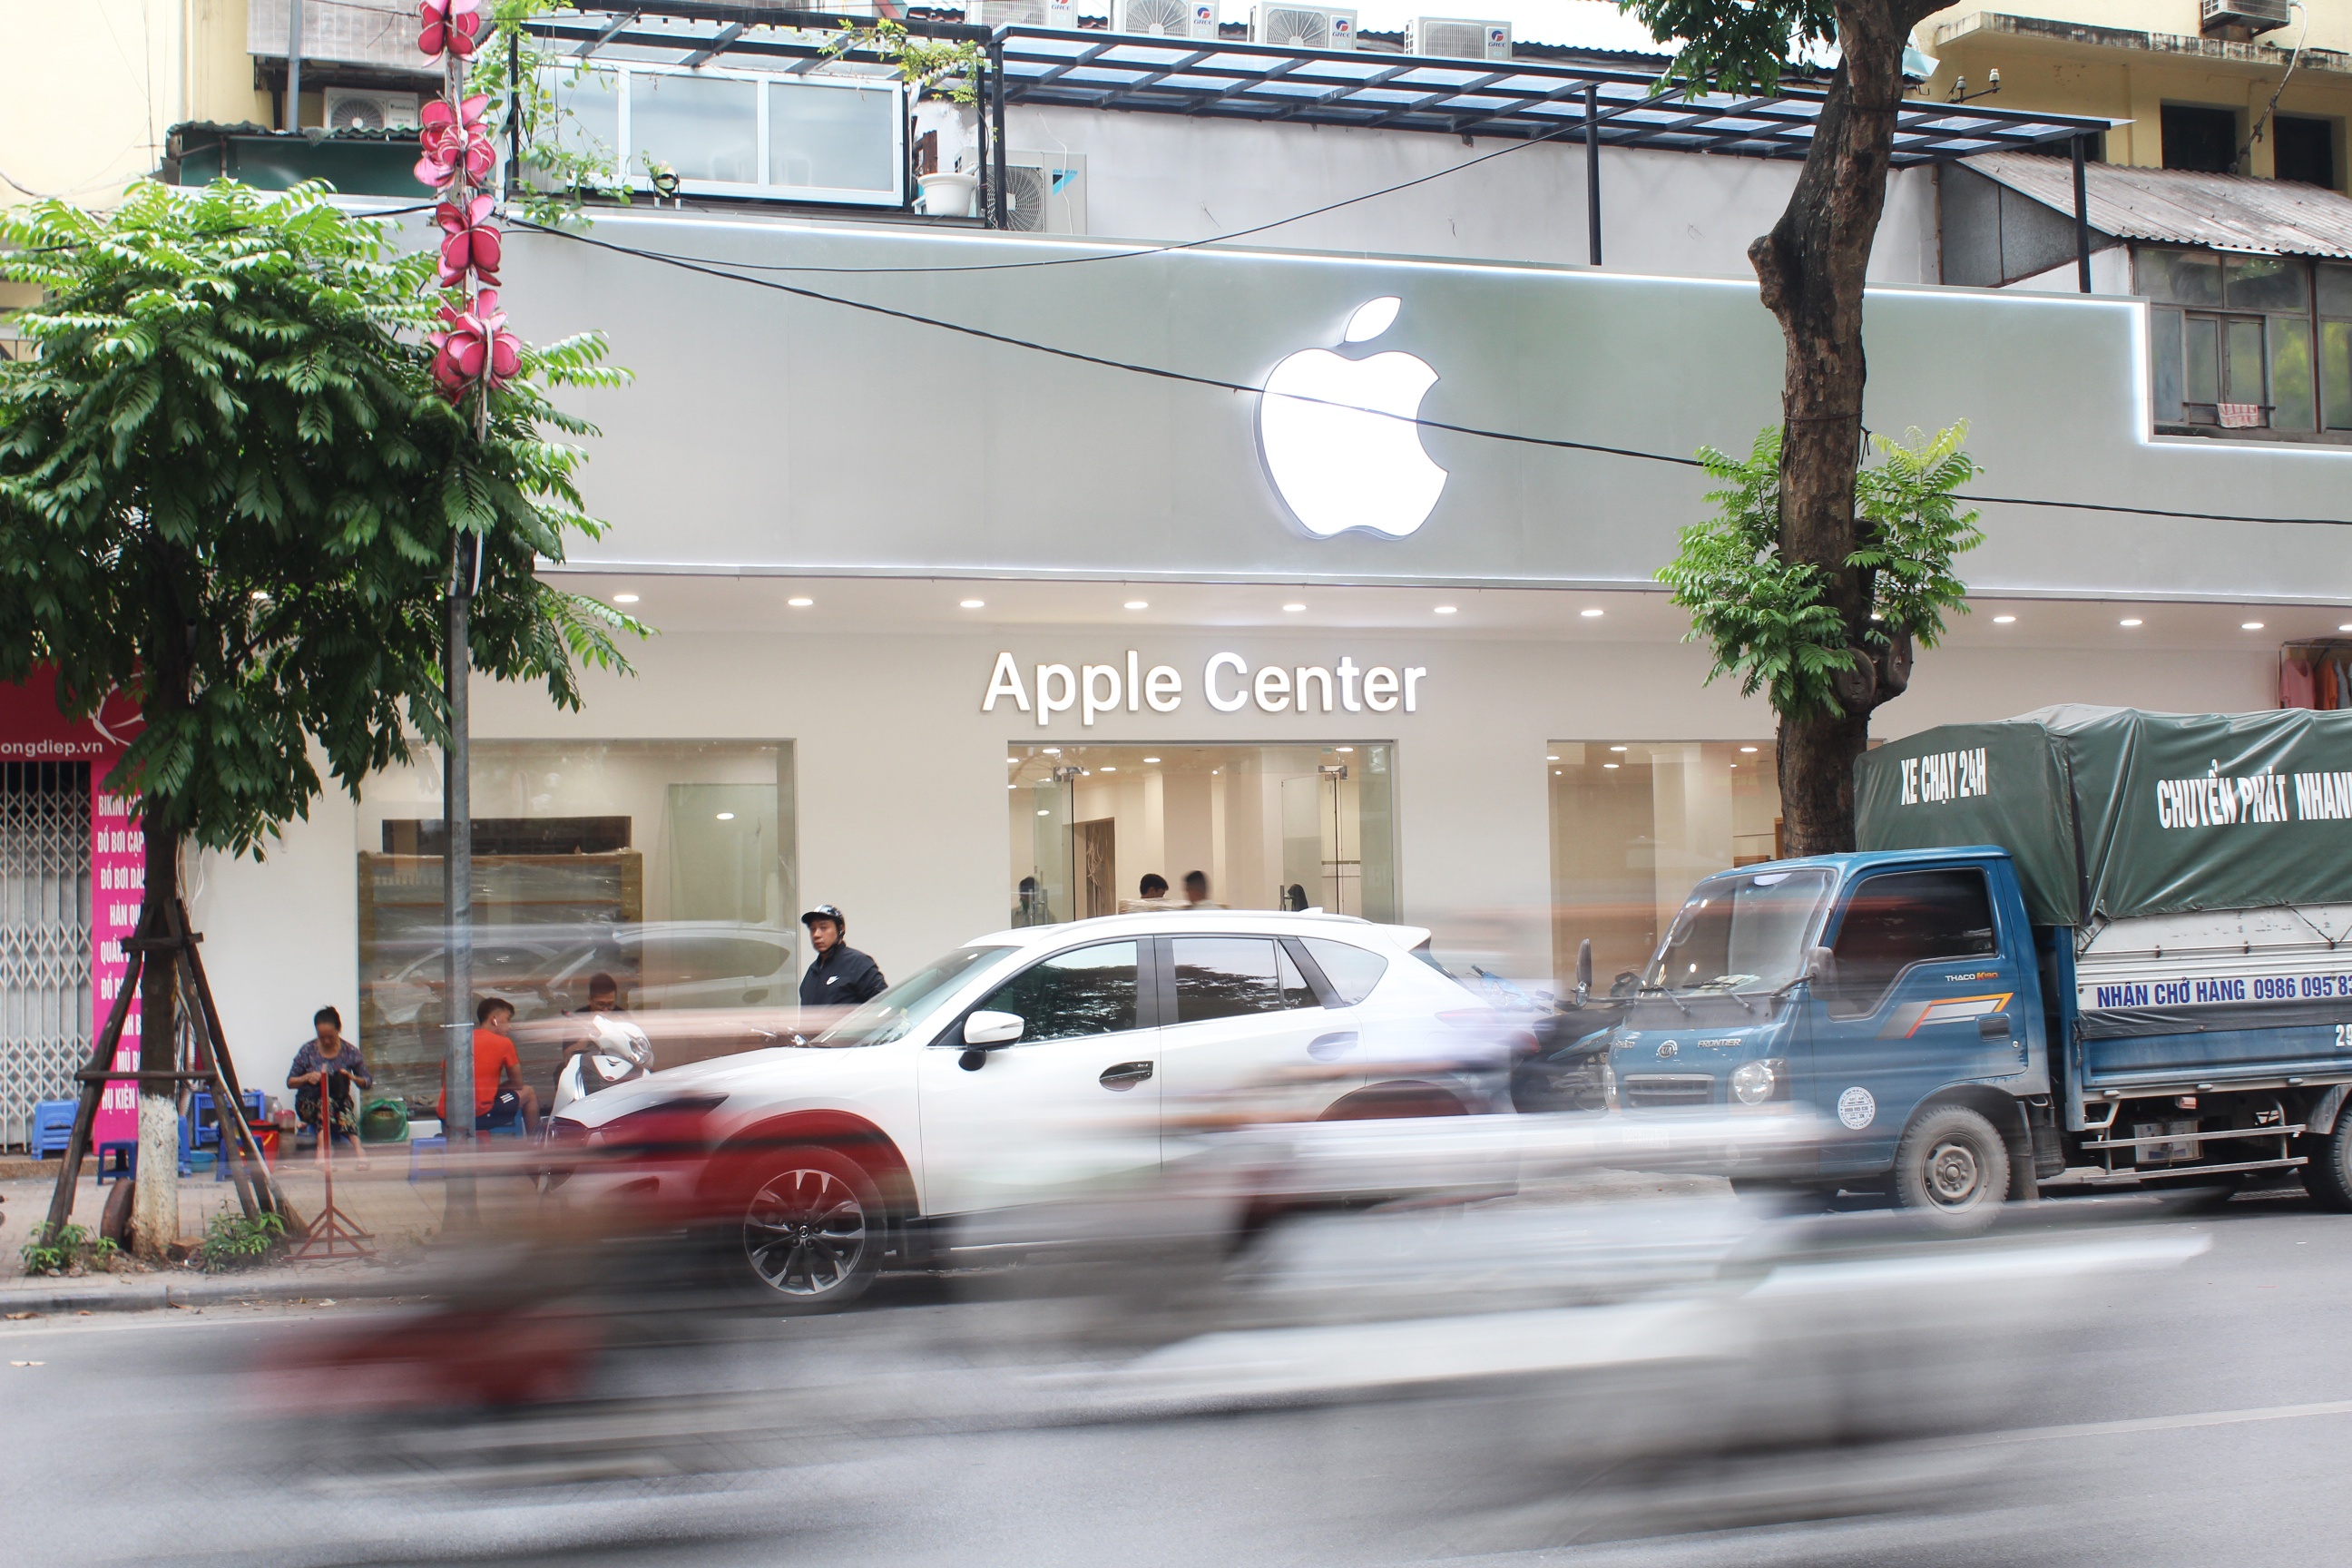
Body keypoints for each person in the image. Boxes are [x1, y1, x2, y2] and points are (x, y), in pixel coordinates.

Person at [438, 995, 540, 1135]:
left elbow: (444, 1082)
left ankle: (453, 1146)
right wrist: (492, 1090)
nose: (509, 1027)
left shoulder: (459, 1041)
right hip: (479, 1116)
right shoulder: (504, 1043)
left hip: (446, 1116)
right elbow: (517, 1083)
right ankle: (536, 1144)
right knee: (529, 1092)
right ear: (494, 1019)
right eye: (508, 1020)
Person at [288, 1006, 370, 1152]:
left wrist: (352, 1077)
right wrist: (307, 1077)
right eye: (321, 1037)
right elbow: (290, 1082)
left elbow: (367, 1082)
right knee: (327, 1101)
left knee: (338, 1102)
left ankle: (356, 1150)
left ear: (339, 1030)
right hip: (309, 1104)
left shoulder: (350, 1052)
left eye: (330, 1037)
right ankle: (325, 1150)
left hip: (339, 1104)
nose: (326, 1041)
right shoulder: (308, 1050)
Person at [799, 905, 887, 1010]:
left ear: (840, 929)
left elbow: (884, 1005)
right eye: (812, 929)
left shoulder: (858, 963)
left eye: (823, 927)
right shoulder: (812, 971)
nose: (816, 935)